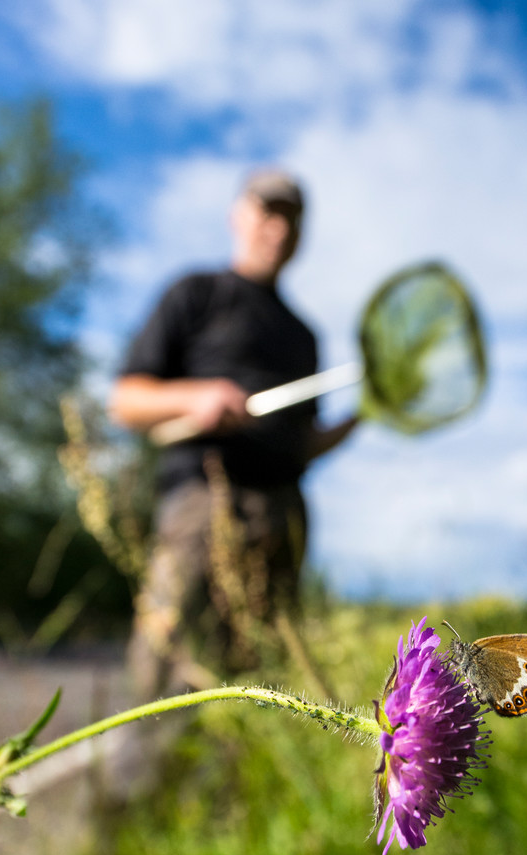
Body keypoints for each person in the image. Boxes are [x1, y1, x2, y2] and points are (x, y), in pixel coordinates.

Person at [109, 169, 358, 696]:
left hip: (284, 516)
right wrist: (194, 397)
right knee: (169, 673)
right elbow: (126, 401)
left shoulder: (303, 336)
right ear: (238, 217)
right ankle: (141, 778)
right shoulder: (196, 294)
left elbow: (306, 444)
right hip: (204, 502)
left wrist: (364, 416)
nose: (280, 230)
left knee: (259, 682)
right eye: (268, 213)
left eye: (292, 220)